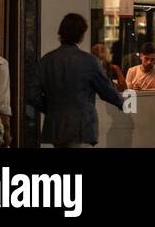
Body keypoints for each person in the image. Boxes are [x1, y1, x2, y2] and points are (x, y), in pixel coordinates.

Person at [27, 13, 124, 147]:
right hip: (82, 126)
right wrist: (121, 102)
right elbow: (106, 90)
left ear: (61, 33)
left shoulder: (47, 60)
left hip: (56, 126)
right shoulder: (89, 61)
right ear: (81, 35)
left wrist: (50, 108)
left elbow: (31, 94)